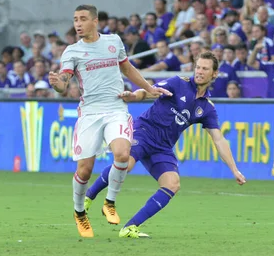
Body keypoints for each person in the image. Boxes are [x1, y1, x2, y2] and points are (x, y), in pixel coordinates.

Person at [85, 51, 246, 238]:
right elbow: (148, 91)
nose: (200, 71)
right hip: (144, 131)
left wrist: (234, 170)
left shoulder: (207, 108)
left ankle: (129, 228)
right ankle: (88, 197)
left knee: (172, 184)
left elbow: (218, 139)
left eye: (205, 69)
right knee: (125, 164)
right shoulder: (179, 82)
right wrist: (133, 96)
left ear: (214, 74)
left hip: (162, 147)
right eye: (198, 67)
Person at [48, 4, 170, 238]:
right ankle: (79, 211)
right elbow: (63, 84)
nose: (78, 24)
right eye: (75, 19)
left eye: (83, 19)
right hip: (90, 113)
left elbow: (128, 69)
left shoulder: (113, 42)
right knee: (85, 170)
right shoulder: (72, 51)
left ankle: (109, 202)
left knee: (123, 154)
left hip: (115, 108)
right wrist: (57, 84)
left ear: (95, 21)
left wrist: (148, 88)